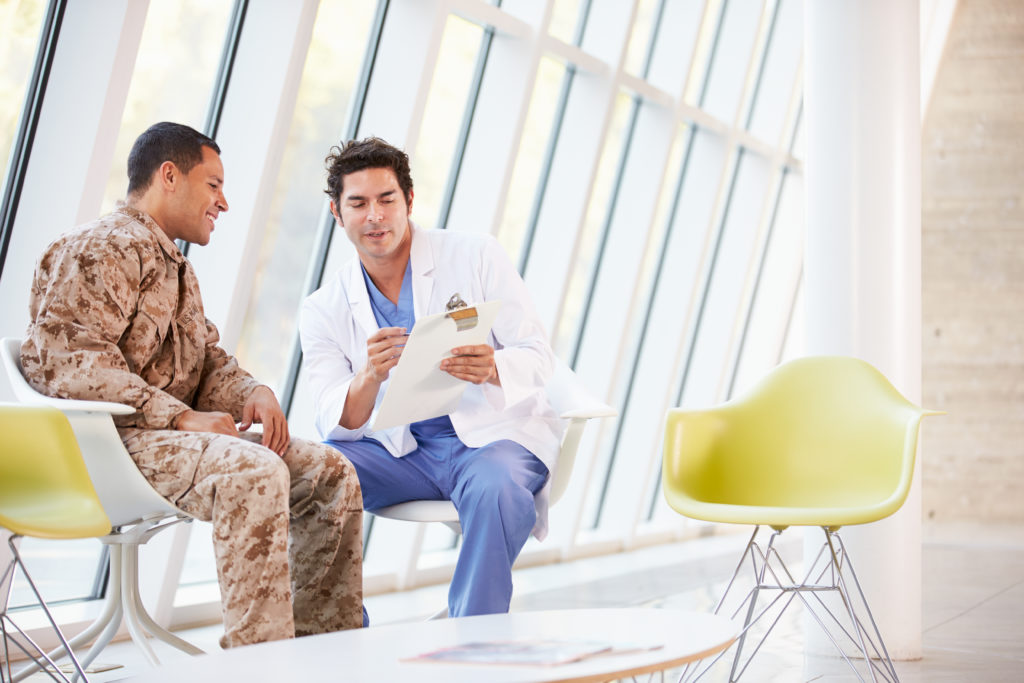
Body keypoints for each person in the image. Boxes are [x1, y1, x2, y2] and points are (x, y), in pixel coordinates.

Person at [20, 122, 364, 648]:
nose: (224, 202)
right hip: (106, 444)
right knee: (252, 469)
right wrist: (179, 416)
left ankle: (324, 653)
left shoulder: (174, 265)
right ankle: (260, 669)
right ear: (169, 176)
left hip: (161, 442)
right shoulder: (99, 248)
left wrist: (253, 390)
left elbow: (204, 363)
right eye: (214, 184)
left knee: (329, 471)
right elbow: (69, 369)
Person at [299, 137, 562, 618]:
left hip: (491, 439)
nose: (375, 216)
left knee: (496, 489)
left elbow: (538, 355)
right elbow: (336, 422)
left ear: (409, 201)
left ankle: (472, 645)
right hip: (402, 454)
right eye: (358, 203)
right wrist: (369, 377)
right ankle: (337, 636)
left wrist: (493, 367)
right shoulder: (322, 309)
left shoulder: (475, 254)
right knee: (313, 472)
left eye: (387, 199)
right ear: (337, 214)